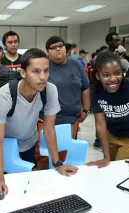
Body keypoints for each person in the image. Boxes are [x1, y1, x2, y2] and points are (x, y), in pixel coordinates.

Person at [0, 48, 78, 198]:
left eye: (46, 71)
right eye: (36, 71)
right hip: (5, 148)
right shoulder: (5, 95)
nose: (43, 77)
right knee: (6, 188)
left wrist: (57, 163)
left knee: (24, 186)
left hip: (28, 143)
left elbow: (49, 130)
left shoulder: (50, 90)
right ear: (23, 73)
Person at [35, 36, 90, 168]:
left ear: (66, 48)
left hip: (71, 119)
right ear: (47, 51)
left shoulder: (76, 64)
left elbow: (85, 88)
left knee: (64, 155)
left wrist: (85, 110)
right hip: (46, 119)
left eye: (60, 46)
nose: (58, 49)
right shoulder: (43, 66)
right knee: (44, 155)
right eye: (53, 47)